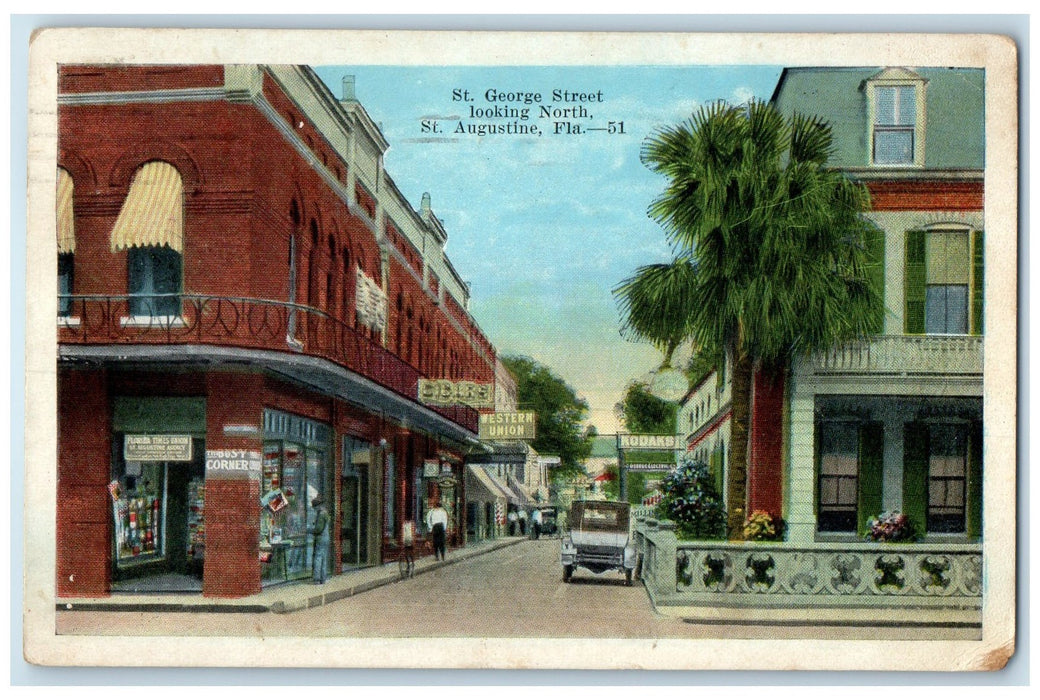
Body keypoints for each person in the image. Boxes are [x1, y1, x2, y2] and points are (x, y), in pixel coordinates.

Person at [309, 496, 330, 584]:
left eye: (314, 506)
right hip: (326, 538)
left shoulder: (321, 514)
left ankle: (317, 579)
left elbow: (318, 529)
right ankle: (323, 578)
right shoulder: (325, 513)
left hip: (320, 538)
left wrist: (309, 530)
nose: (314, 509)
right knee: (324, 558)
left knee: (318, 558)